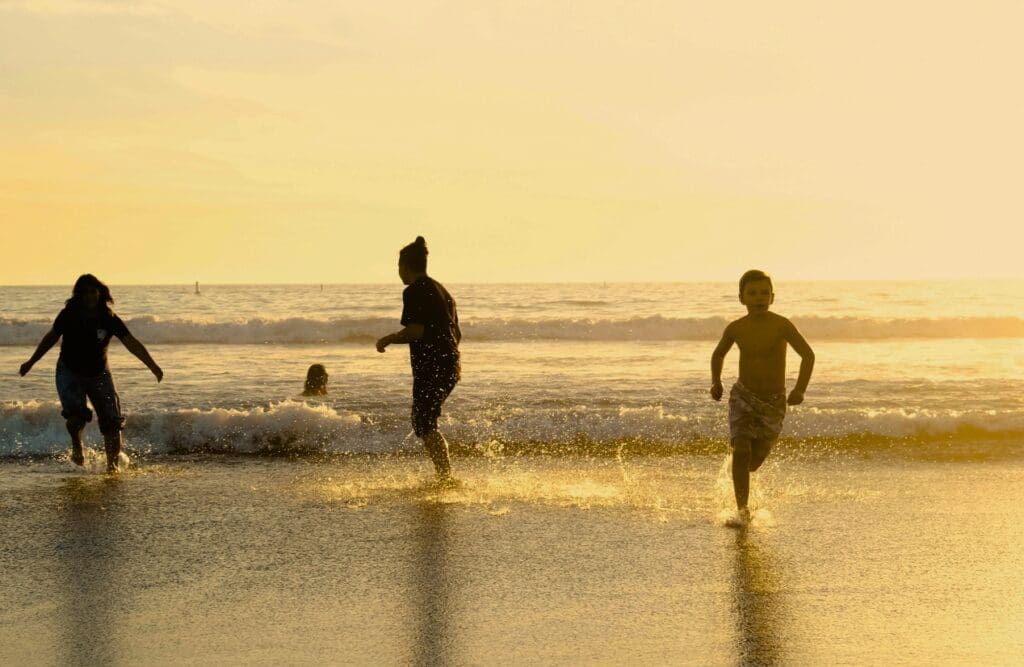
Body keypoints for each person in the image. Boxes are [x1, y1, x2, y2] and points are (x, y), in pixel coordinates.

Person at [19, 274, 163, 472]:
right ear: (79, 295)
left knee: (112, 423)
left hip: (99, 374)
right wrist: (31, 362)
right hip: (70, 372)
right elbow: (51, 338)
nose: (89, 296)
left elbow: (131, 343)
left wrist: (153, 366)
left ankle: (112, 468)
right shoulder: (69, 314)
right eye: (85, 292)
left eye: (93, 291)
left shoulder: (108, 318)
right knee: (76, 418)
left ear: (99, 293)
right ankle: (77, 444)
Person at [710, 270, 814, 525]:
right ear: (741, 298)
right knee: (741, 449)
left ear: (772, 297)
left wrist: (800, 389)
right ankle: (742, 510)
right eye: (752, 293)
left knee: (753, 462)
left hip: (773, 402)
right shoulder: (736, 328)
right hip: (743, 397)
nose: (759, 298)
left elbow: (808, 355)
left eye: (764, 293)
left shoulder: (782, 325)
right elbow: (718, 354)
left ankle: (739, 473)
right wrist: (716, 381)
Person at [376, 236, 461, 483]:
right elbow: (457, 333)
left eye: (398, 267)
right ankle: (444, 476)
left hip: (432, 366)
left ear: (404, 266)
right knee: (424, 421)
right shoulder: (442, 291)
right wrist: (446, 356)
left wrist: (388, 339)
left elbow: (416, 331)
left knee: (424, 422)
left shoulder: (414, 291)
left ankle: (445, 477)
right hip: (450, 364)